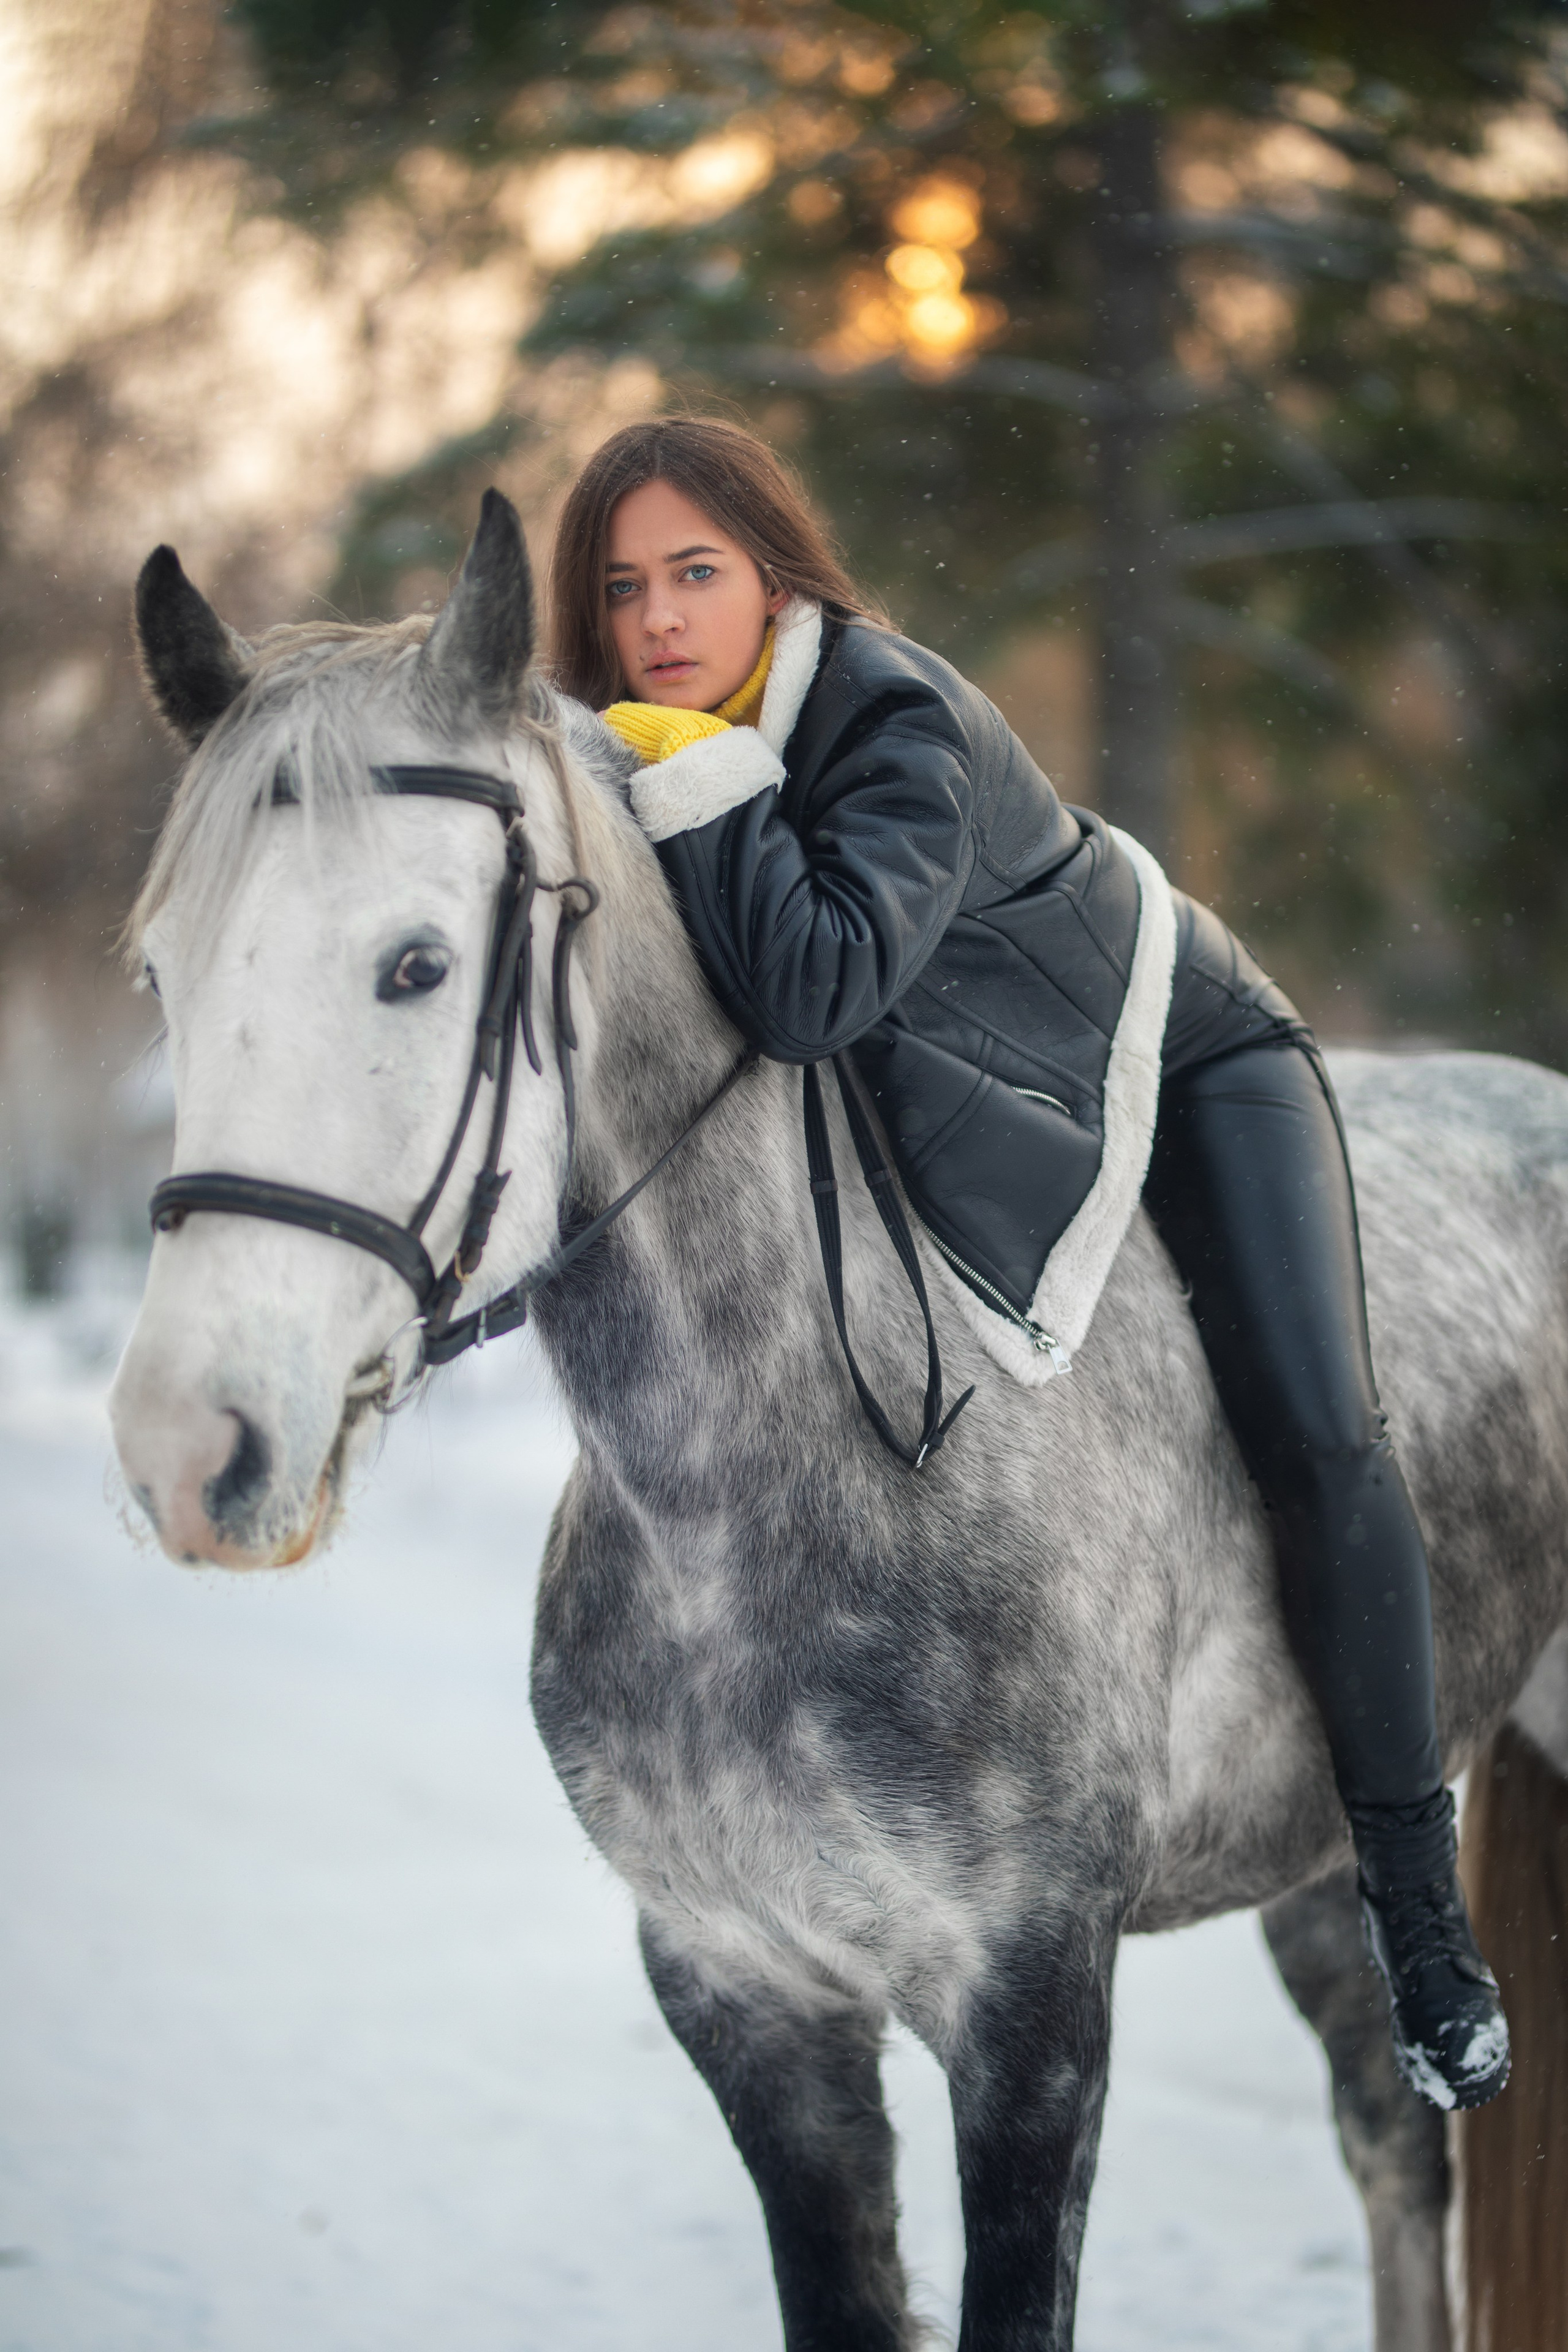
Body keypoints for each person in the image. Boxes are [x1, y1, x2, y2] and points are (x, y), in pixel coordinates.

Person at [548, 413, 1509, 2113]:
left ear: (776, 575)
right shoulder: (639, 751)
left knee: (1317, 1428)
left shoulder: (888, 715)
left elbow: (813, 989)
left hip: (1179, 1050)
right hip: (973, 1102)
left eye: (696, 571)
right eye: (622, 589)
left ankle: (1415, 1905)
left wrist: (689, 771)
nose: (660, 619)